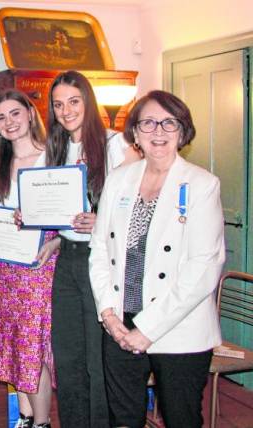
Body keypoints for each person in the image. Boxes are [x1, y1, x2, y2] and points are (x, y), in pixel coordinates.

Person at [89, 90, 224, 428]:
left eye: (169, 123)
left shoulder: (202, 185)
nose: (158, 132)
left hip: (178, 327)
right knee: (123, 418)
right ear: (135, 132)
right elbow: (101, 249)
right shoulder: (119, 180)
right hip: (120, 323)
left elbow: (203, 268)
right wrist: (107, 312)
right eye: (148, 123)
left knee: (181, 418)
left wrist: (147, 329)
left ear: (183, 131)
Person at [42, 70, 140, 427]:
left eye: (73, 101)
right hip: (67, 260)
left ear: (88, 102)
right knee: (67, 358)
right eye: (58, 104)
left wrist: (102, 221)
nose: (66, 111)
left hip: (102, 261)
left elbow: (136, 206)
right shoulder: (56, 146)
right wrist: (37, 218)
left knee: (97, 360)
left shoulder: (115, 144)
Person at [0, 89, 59, 428]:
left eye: (14, 113)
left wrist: (55, 245)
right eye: (0, 117)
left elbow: (72, 218)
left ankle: (41, 423)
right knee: (12, 345)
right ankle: (24, 417)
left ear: (29, 114)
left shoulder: (52, 157)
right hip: (1, 270)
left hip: (37, 268)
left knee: (32, 348)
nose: (8, 122)